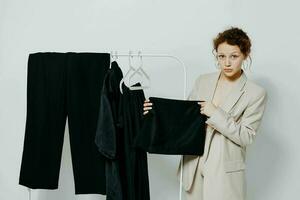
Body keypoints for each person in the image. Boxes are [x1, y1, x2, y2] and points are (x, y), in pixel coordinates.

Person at [143, 27, 268, 200]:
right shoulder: (203, 80)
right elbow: (184, 119)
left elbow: (246, 136)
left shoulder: (256, 93)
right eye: (221, 56)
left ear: (245, 55)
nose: (227, 63)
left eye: (234, 56)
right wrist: (155, 111)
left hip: (224, 174)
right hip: (193, 167)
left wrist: (215, 113)